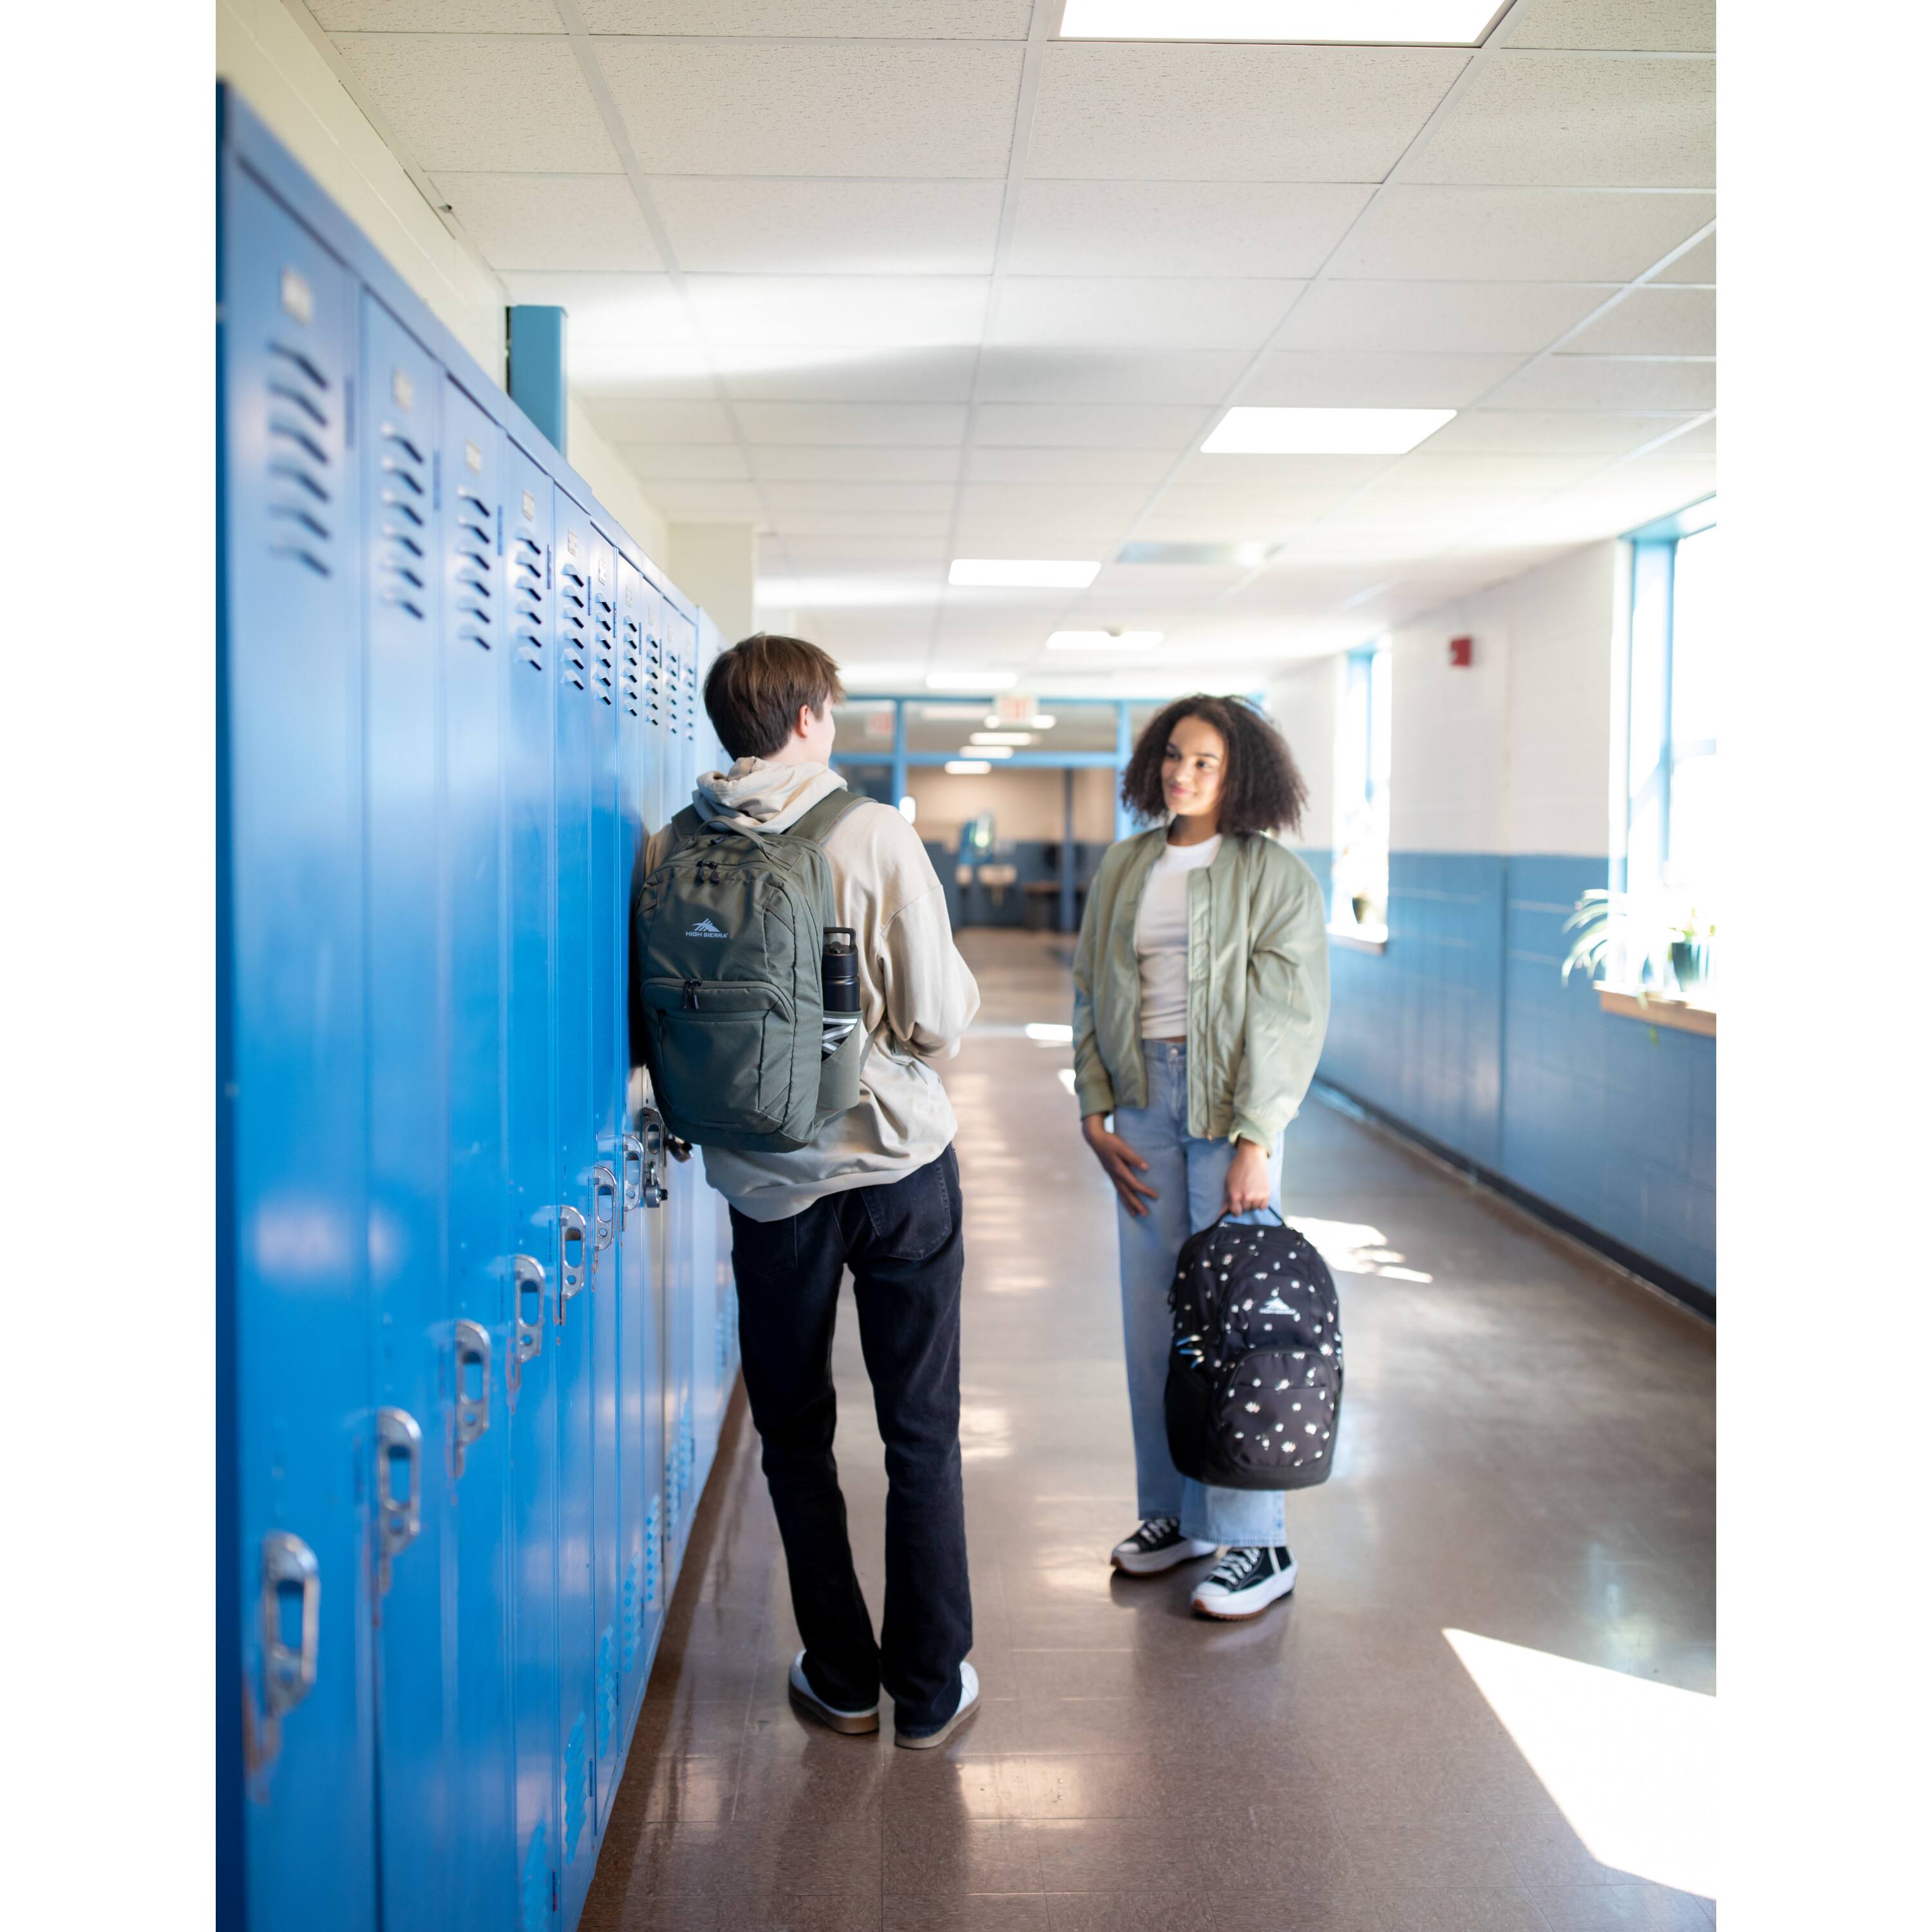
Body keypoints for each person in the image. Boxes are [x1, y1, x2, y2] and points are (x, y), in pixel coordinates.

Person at [634, 634, 983, 1747]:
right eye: (828, 707)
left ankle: (841, 1677)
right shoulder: (874, 834)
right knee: (919, 1431)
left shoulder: (666, 850)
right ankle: (929, 1694)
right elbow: (939, 1019)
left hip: (765, 1186)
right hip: (894, 1170)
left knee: (794, 1434)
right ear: (806, 717)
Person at [1071, 694, 1331, 1620]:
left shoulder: (1274, 877)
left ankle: (1258, 1544)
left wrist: (1260, 1136)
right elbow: (1091, 988)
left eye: (1206, 763)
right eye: (1175, 757)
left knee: (1238, 1325)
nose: (1183, 775)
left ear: (1241, 774)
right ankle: (1176, 1517)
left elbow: (1290, 1016)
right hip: (1140, 1103)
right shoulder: (1126, 866)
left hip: (1228, 1107)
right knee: (1155, 1323)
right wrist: (1095, 1103)